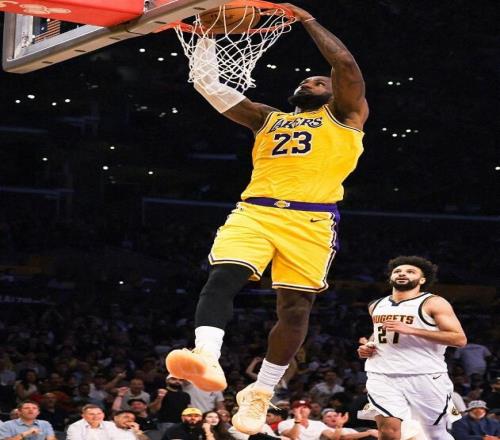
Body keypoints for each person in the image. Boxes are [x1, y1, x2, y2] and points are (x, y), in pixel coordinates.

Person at [166, 3, 368, 435]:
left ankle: (261, 391)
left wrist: (307, 19)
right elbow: (207, 83)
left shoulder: (346, 116)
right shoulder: (265, 118)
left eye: (318, 81)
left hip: (311, 221)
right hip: (255, 212)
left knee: (295, 309)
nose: (309, 82)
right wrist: (205, 35)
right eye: (305, 80)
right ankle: (206, 355)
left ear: (334, 92)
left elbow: (345, 64)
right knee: (223, 276)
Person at [357, 256, 467, 440]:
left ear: (422, 280)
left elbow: (459, 339)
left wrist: (411, 330)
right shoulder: (376, 305)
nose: (402, 274)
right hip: (382, 375)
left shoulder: (433, 302)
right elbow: (379, 334)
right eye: (397, 271)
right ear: (391, 277)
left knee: (435, 434)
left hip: (425, 374)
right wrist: (369, 346)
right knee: (388, 432)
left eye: (410, 272)